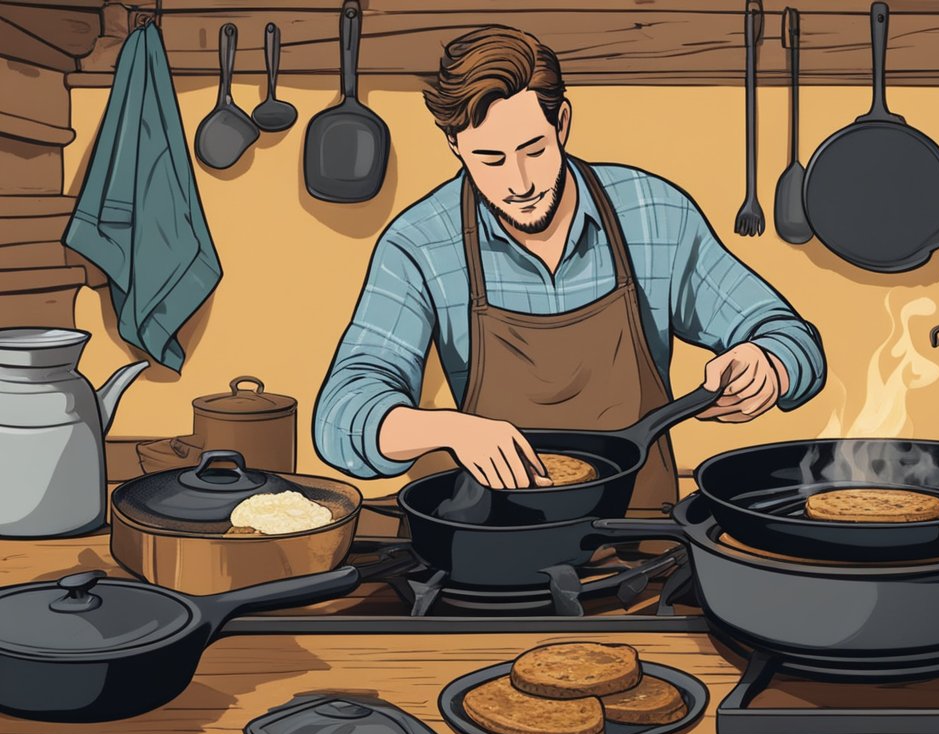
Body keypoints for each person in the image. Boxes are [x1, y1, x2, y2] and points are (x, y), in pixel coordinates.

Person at [314, 25, 825, 512]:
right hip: (493, 534)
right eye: (489, 159)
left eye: (532, 150)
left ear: (561, 124)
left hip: (642, 534)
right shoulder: (421, 244)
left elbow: (790, 337)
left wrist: (768, 365)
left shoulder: (654, 214)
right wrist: (451, 430)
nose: (518, 182)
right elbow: (340, 418)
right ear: (454, 145)